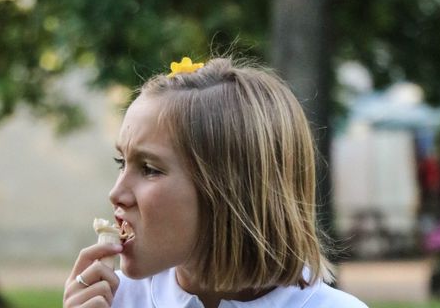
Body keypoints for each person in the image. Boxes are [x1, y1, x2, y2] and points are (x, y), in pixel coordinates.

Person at [64, 57, 368, 308]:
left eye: (150, 169)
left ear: (231, 192)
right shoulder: (113, 301)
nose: (116, 193)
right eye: (122, 163)